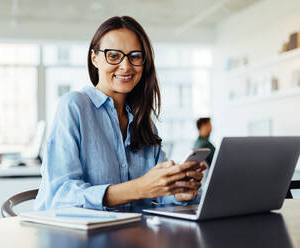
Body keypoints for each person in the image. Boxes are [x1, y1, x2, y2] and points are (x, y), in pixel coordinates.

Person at [34, 16, 207, 212]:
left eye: (135, 56)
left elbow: (158, 193)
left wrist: (178, 192)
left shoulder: (144, 123)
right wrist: (139, 188)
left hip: (130, 235)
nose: (126, 66)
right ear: (95, 58)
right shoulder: (74, 106)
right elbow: (60, 196)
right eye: (114, 56)